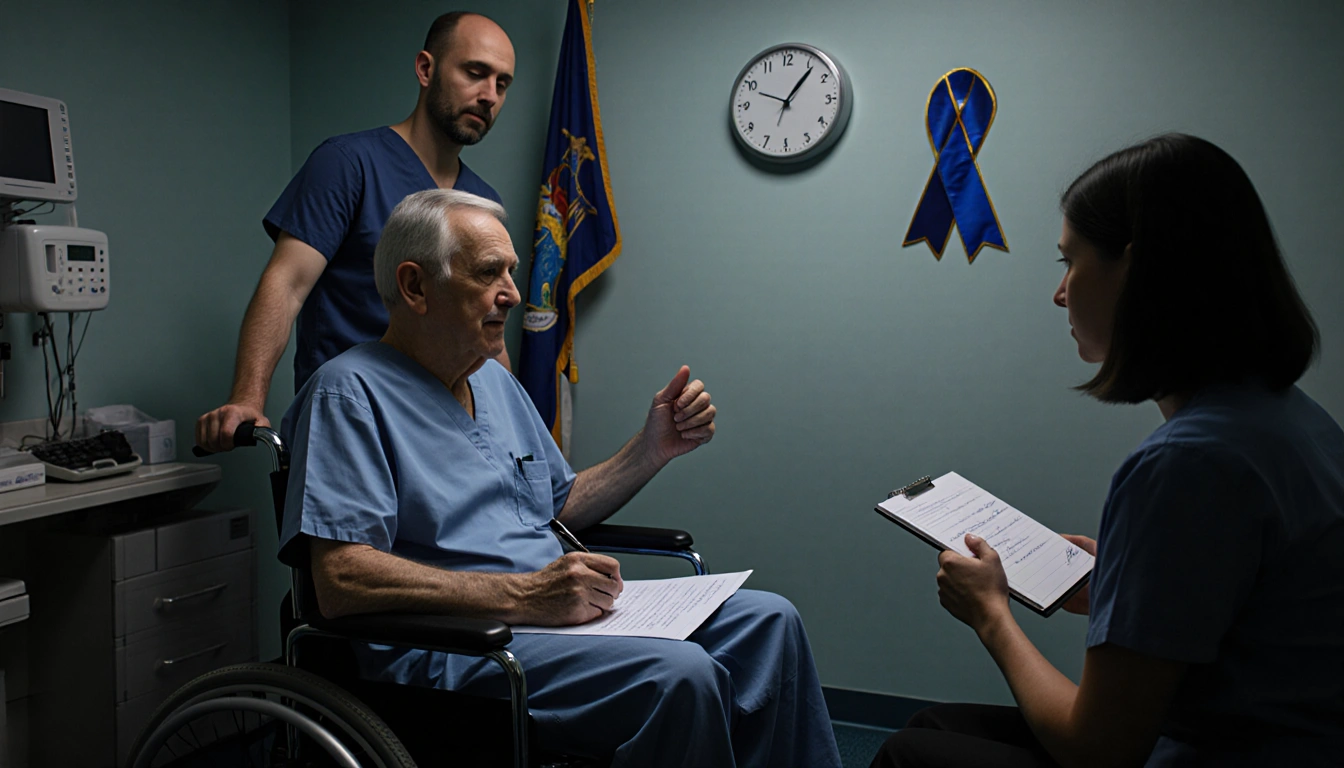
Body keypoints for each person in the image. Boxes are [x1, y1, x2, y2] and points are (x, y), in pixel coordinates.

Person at [278, 188, 844, 767]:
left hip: (552, 618)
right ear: (415, 286)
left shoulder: (494, 382)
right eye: (487, 273)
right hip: (454, 642)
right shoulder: (347, 394)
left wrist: (650, 450)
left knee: (771, 620)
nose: (514, 294)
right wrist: (525, 595)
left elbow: (556, 505)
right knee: (682, 675)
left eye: (511, 272)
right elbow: (343, 579)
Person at [873, 134, 1344, 768]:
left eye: (1070, 261)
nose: (1060, 293)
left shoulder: (1184, 464)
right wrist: (1119, 579)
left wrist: (990, 614)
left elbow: (1099, 749)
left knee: (910, 753)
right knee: (935, 724)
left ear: (1138, 269)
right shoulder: (1293, 422)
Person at [196, 11, 515, 453]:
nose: (489, 96)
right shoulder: (348, 164)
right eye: (475, 73)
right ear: (426, 69)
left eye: (502, 84)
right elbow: (286, 284)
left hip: (446, 433)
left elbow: (487, 331)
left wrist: (514, 427)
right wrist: (247, 399)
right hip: (353, 420)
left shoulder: (480, 202)